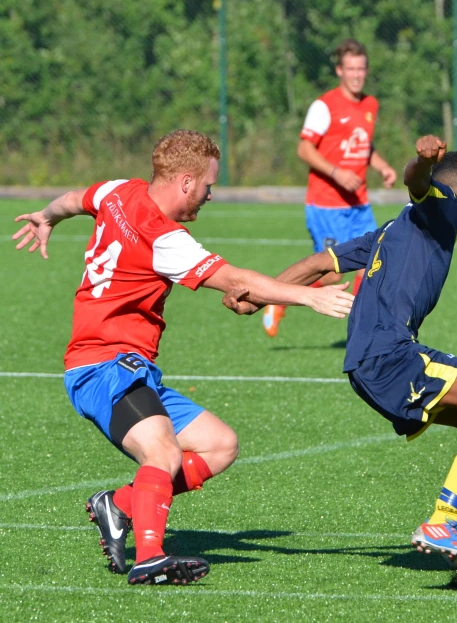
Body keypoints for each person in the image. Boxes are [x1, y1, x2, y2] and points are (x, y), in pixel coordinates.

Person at [12, 129, 354, 586]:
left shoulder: (120, 190)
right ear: (187, 182)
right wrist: (306, 298)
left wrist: (46, 217)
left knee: (220, 444)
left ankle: (121, 505)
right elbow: (235, 279)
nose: (211, 194)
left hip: (131, 367)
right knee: (163, 450)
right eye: (209, 185)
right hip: (101, 365)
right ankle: (150, 558)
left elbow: (74, 198)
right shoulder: (162, 237)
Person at [227, 135, 457, 593]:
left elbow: (321, 263)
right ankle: (443, 517)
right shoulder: (444, 210)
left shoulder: (392, 230)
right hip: (390, 355)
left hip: (369, 363)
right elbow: (418, 183)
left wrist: (259, 297)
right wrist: (421, 163)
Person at [262, 38, 397, 338]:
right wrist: (337, 173)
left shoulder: (370, 105)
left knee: (372, 263)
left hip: (358, 205)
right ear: (339, 70)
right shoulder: (324, 106)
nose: (356, 74)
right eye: (350, 69)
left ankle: (362, 329)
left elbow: (364, 144)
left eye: (361, 68)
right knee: (332, 272)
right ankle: (278, 300)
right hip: (327, 206)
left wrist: (382, 165)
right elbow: (304, 149)